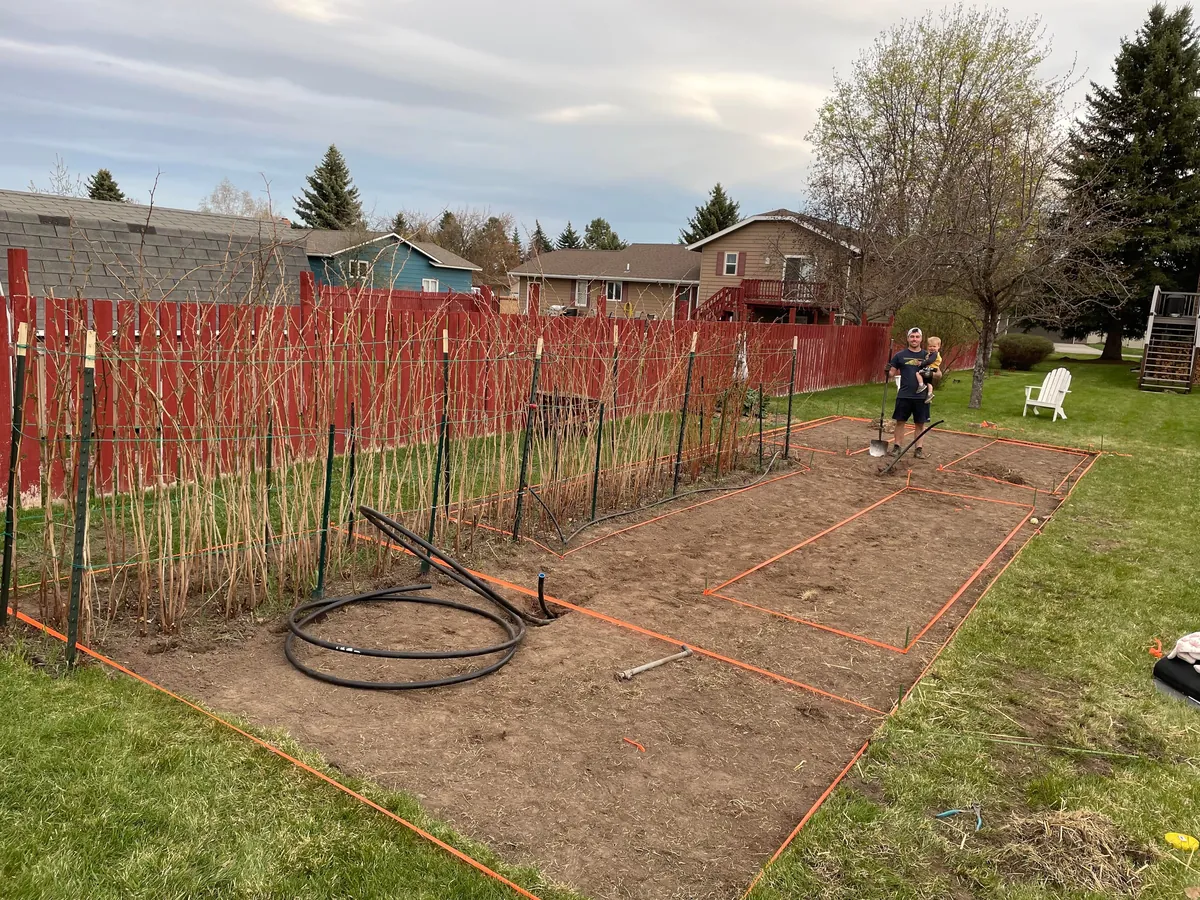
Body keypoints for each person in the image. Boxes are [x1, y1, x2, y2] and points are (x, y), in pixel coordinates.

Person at [888, 327, 933, 459]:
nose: (914, 339)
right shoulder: (899, 356)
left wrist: (932, 373)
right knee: (900, 422)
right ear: (908, 338)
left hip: (922, 396)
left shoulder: (928, 356)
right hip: (904, 395)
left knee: (920, 423)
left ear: (921, 339)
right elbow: (891, 373)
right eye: (912, 337)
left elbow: (939, 374)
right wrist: (887, 370)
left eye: (917, 337)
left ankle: (918, 449)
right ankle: (897, 447)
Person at [915, 335, 943, 404]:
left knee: (918, 373)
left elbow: (929, 361)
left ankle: (921, 385)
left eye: (934, 346)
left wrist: (922, 364)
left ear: (938, 346)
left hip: (931, 368)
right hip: (933, 369)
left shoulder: (934, 354)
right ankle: (930, 394)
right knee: (929, 382)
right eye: (930, 346)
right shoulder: (932, 354)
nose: (932, 348)